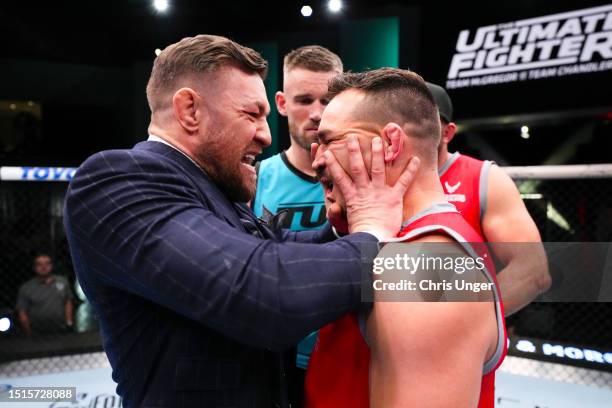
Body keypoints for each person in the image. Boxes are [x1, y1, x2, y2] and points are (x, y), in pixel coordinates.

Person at [63, 35, 418, 408]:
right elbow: (265, 292)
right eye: (251, 115)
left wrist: (346, 221)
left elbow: (280, 248)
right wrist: (373, 231)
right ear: (189, 110)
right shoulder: (118, 179)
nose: (266, 135)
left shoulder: (211, 190)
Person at [305, 68, 506, 407]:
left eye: (329, 141)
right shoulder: (397, 244)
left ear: (390, 144)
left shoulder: (426, 264)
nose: (317, 160)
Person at [252, 46, 343, 396]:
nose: (317, 113)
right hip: (277, 358)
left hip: (350, 352)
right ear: (281, 103)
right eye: (304, 100)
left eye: (328, 99)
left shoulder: (368, 180)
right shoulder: (256, 179)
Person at [427, 82, 550, 315]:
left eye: (424, 121)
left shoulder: (483, 178)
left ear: (448, 132)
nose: (410, 129)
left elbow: (533, 271)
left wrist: (464, 325)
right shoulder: (382, 178)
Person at [16, 253, 74, 335]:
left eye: (47, 263)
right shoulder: (26, 287)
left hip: (61, 329)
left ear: (52, 265)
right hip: (37, 332)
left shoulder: (62, 282)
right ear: (34, 267)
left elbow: (68, 302)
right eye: (39, 264)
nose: (44, 267)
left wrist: (69, 322)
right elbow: (22, 311)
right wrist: (28, 332)